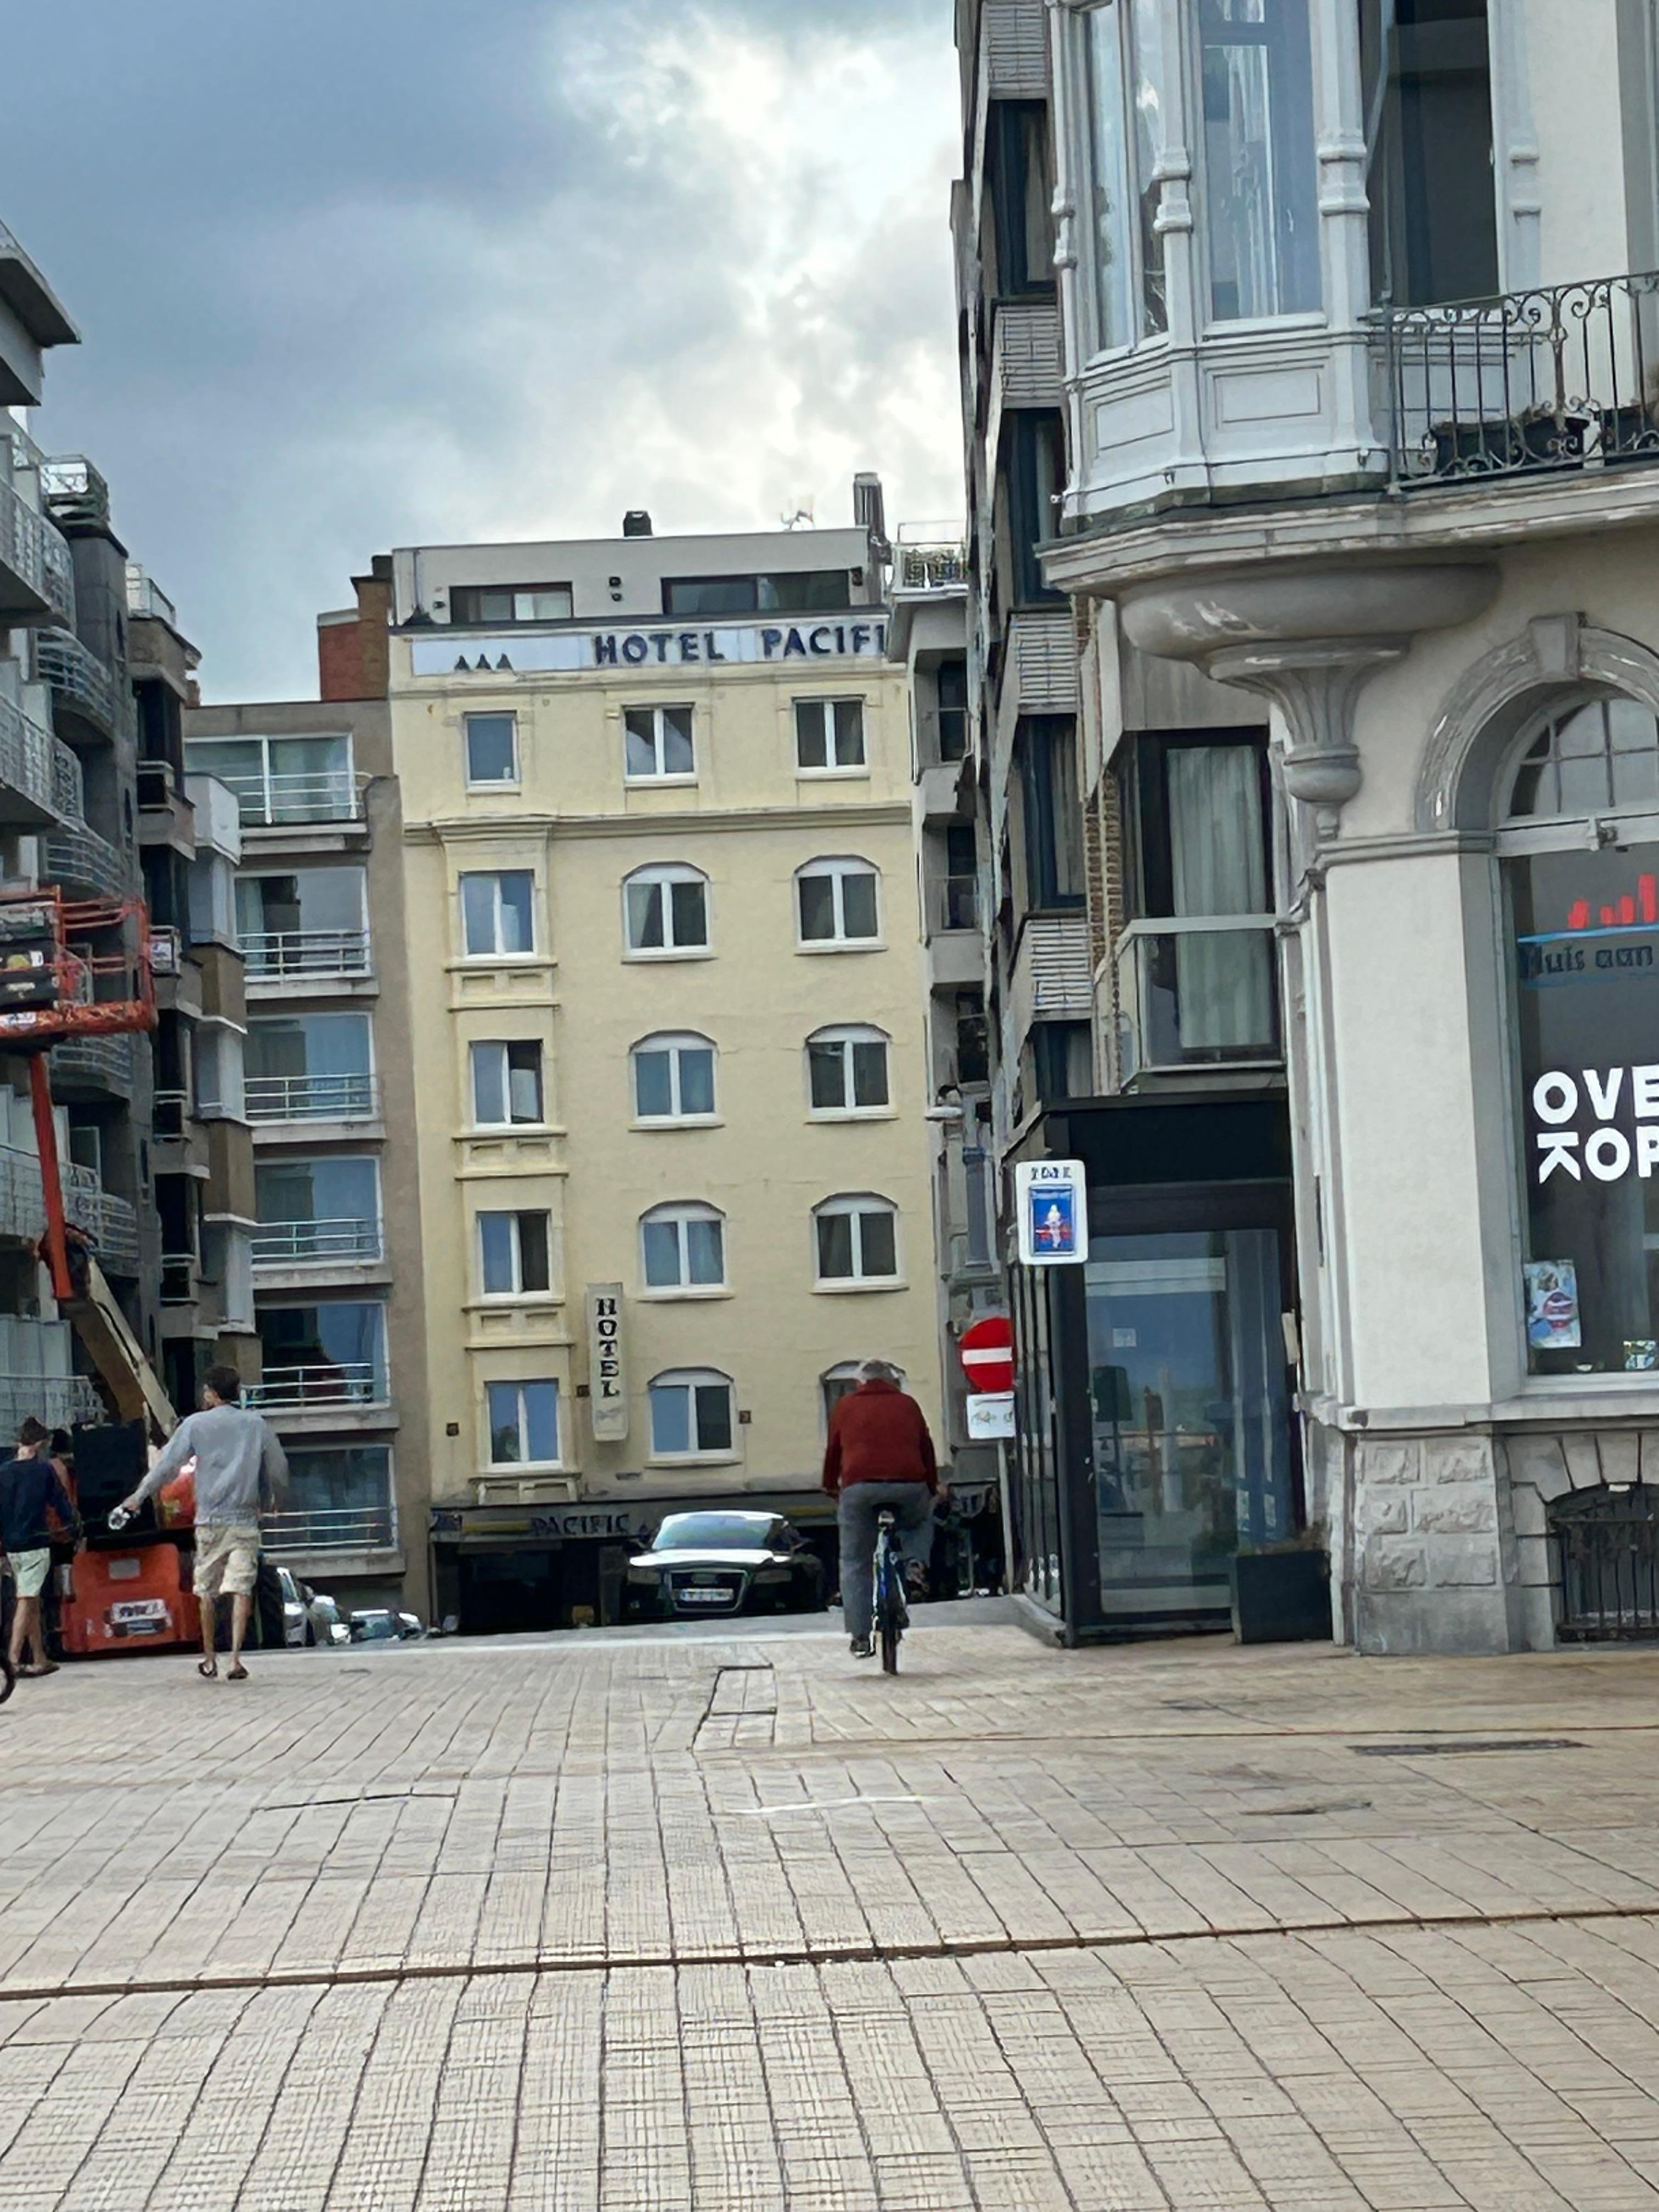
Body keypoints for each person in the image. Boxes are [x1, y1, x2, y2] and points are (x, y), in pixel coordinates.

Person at [118, 1365, 287, 1683]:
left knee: (206, 1589)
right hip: (245, 1519)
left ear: (211, 1392)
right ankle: (235, 1659)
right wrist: (273, 1500)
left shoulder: (195, 1425)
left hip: (209, 1519)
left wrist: (138, 1497)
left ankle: (210, 1657)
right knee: (241, 1587)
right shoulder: (256, 1425)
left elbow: (168, 1467)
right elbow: (278, 1467)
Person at [822, 1359, 940, 1659]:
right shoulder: (908, 1404)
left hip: (859, 1488)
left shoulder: (845, 1406)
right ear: (891, 1382)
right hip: (909, 1485)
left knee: (854, 1561)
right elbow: (926, 1447)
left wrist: (831, 1487)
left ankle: (860, 1635)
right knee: (919, 1520)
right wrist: (931, 1486)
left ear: (860, 1383)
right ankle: (915, 1563)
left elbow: (834, 1451)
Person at [0, 1417, 78, 1678]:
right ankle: (12, 1659)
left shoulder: (3, 1472)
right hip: (35, 1542)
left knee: (30, 1598)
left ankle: (39, 1657)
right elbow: (60, 1502)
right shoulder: (43, 1470)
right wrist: (73, 1527)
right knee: (27, 1600)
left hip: (12, 1545)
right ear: (41, 1443)